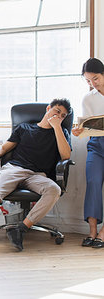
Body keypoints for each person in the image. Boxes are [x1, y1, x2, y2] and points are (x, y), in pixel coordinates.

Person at [0, 99, 72, 251]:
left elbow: (65, 156)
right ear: (48, 108)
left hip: (38, 175)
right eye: (56, 111)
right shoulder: (24, 128)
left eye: (63, 116)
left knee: (54, 190)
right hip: (14, 169)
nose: (59, 116)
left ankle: (21, 229)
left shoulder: (61, 133)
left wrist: (57, 128)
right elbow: (3, 148)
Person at [72, 58, 104, 248]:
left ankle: (102, 233)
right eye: (88, 81)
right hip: (96, 145)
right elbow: (87, 127)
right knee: (92, 183)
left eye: (96, 78)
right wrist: (79, 131)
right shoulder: (88, 98)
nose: (93, 84)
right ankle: (92, 231)